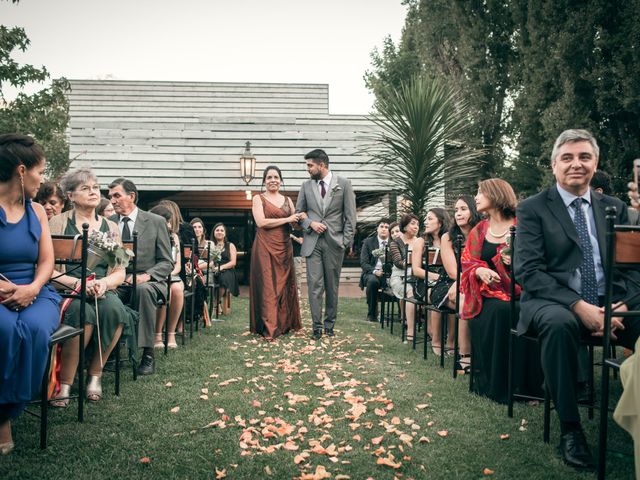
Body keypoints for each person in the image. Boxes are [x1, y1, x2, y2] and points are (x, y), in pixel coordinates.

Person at [514, 129, 640, 470]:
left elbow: (633, 269)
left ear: (595, 163)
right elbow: (528, 272)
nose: (576, 164)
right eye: (567, 157)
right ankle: (571, 429)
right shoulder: (532, 209)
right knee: (558, 325)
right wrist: (579, 306)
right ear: (554, 165)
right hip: (551, 300)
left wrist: (623, 305)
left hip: (611, 302)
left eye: (584, 157)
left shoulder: (615, 208)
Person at [49, 168, 136, 404]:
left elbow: (120, 271)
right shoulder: (56, 223)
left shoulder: (111, 227)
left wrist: (104, 284)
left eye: (96, 187)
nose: (93, 192)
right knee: (81, 313)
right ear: (70, 195)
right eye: (85, 188)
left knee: (115, 311)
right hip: (68, 289)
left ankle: (95, 375)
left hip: (101, 289)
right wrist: (77, 283)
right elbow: (48, 268)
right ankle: (65, 382)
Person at [0, 134, 61, 455]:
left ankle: (10, 407)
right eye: (40, 171)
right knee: (5, 329)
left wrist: (33, 289)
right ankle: (3, 420)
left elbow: (47, 261)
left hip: (38, 291)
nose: (43, 179)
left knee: (36, 330)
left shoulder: (36, 210)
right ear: (21, 171)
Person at [461, 178, 542, 404]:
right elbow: (467, 262)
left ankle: (526, 386)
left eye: (480, 192)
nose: (476, 197)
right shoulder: (479, 230)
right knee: (500, 311)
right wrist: (480, 272)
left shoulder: (523, 225)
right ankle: (496, 384)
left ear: (495, 195)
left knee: (518, 310)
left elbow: (537, 261)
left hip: (522, 291)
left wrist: (509, 263)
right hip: (486, 295)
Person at [108, 178, 173, 375]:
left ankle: (147, 354)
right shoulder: (108, 224)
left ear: (132, 196)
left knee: (142, 290)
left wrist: (147, 276)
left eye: (117, 195)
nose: (112, 201)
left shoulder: (156, 222)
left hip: (149, 281)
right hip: (117, 279)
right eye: (110, 197)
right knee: (107, 295)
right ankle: (110, 354)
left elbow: (166, 261)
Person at [296, 149, 357, 340]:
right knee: (315, 285)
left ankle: (329, 325)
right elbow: (299, 213)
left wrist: (344, 241)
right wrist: (310, 223)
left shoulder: (343, 184)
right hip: (312, 242)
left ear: (322, 165)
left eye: (310, 165)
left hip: (334, 243)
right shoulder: (306, 186)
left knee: (332, 286)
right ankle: (316, 327)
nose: (308, 169)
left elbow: (350, 217)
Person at [250, 166, 301, 341]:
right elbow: (261, 222)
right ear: (264, 181)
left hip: (285, 246)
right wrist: (287, 219)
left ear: (281, 180)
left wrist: (303, 219)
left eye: (276, 177)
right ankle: (268, 326)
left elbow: (296, 222)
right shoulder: (258, 198)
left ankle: (284, 324)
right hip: (264, 246)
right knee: (268, 286)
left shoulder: (288, 200)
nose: (273, 180)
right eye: (269, 177)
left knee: (284, 285)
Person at [440, 195, 481, 372]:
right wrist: (463, 282)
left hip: (476, 282)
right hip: (448, 283)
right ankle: (465, 356)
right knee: (465, 299)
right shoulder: (448, 238)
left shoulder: (482, 233)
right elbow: (451, 271)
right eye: (456, 210)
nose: (458, 213)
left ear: (474, 210)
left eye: (463, 209)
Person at [412, 208, 451, 355]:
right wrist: (437, 278)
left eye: (430, 219)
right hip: (423, 283)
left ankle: (451, 341)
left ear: (440, 222)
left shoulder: (449, 240)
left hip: (446, 281)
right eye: (426, 219)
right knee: (436, 293)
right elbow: (416, 270)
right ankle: (436, 340)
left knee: (449, 292)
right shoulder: (420, 241)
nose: (425, 222)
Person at [149, 205, 184, 349]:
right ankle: (157, 334)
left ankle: (170, 333)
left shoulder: (174, 237)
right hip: (154, 274)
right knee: (166, 290)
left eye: (169, 222)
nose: (169, 225)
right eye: (166, 221)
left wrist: (169, 273)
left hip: (171, 274)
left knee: (177, 289)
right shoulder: (148, 234)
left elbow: (178, 264)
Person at [388, 214, 420, 343]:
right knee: (410, 291)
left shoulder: (420, 241)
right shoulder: (395, 242)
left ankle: (430, 329)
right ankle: (410, 330)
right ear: (405, 226)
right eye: (413, 223)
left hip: (417, 275)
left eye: (417, 224)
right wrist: (413, 260)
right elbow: (398, 262)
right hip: (399, 276)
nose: (416, 227)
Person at [359, 218, 390, 322]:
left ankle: (401, 315)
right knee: (372, 282)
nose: (384, 229)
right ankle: (372, 314)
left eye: (386, 227)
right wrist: (375, 271)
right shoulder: (368, 242)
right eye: (381, 226)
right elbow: (363, 263)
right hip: (372, 273)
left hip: (389, 274)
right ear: (377, 229)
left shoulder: (394, 243)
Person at [210, 223, 239, 314]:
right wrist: (213, 267)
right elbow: (207, 259)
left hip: (228, 269)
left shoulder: (230, 245)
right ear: (213, 232)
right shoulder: (210, 245)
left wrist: (221, 267)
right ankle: (216, 304)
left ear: (225, 233)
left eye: (222, 230)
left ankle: (215, 304)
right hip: (213, 268)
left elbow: (233, 262)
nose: (219, 232)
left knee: (223, 280)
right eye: (217, 230)